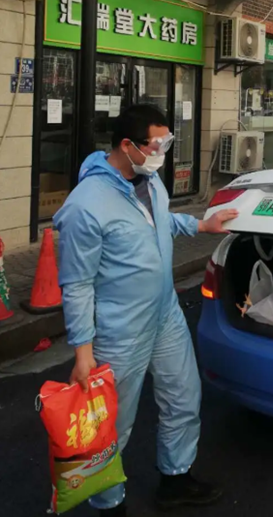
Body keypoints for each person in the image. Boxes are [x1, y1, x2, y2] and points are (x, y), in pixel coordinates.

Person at [54, 105, 238, 515]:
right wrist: (83, 352)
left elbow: (159, 223)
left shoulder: (149, 181)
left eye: (166, 143)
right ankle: (108, 503)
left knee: (183, 397)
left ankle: (176, 479)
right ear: (127, 145)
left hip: (165, 314)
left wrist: (201, 226)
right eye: (157, 145)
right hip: (120, 331)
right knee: (110, 426)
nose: (163, 153)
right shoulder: (86, 206)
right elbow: (76, 284)